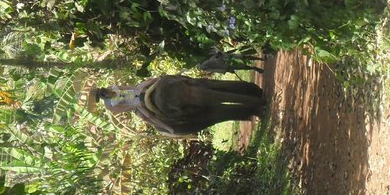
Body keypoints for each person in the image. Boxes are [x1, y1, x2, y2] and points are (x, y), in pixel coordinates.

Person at [95, 75, 264, 136]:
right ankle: (168, 128)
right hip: (139, 105)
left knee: (158, 80)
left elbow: (129, 87)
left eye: (101, 90)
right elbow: (126, 108)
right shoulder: (111, 106)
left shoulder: (113, 88)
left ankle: (170, 128)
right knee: (153, 120)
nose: (103, 92)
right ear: (100, 98)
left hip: (141, 90)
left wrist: (145, 86)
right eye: (100, 94)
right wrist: (138, 102)